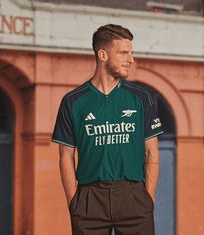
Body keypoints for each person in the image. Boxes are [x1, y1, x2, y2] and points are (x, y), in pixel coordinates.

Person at [52, 24, 163, 235]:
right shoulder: (73, 102)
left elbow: (152, 153)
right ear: (102, 55)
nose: (131, 60)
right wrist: (74, 202)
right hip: (89, 199)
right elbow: (66, 156)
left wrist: (147, 199)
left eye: (131, 53)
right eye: (123, 53)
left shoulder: (142, 98)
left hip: (133, 196)